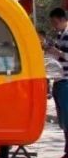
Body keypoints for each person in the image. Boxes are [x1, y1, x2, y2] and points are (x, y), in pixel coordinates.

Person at [47, 8, 68, 158]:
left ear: (62, 19)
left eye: (55, 23)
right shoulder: (60, 35)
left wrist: (57, 52)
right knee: (64, 120)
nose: (54, 26)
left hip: (66, 81)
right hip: (59, 79)